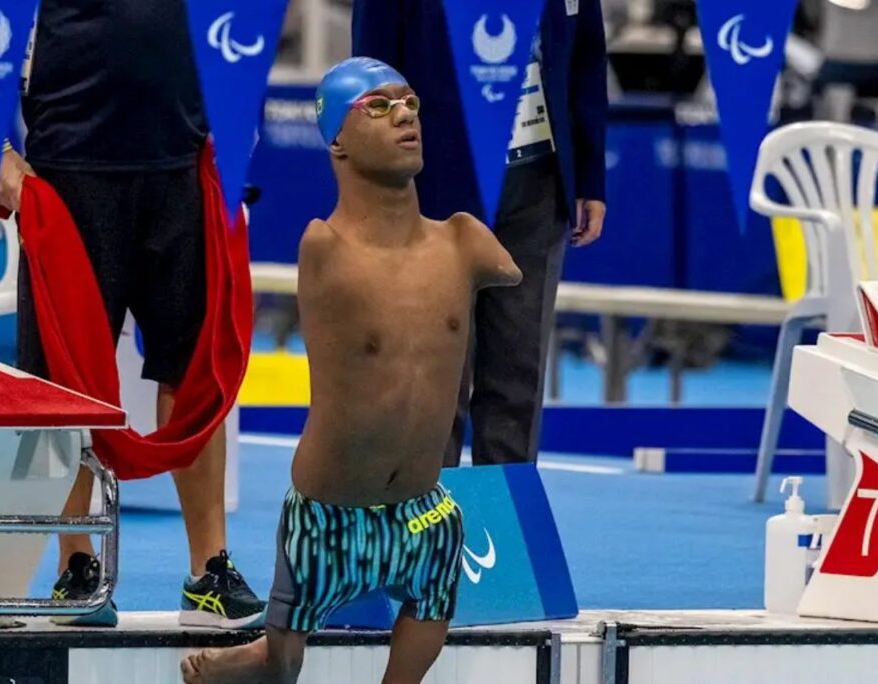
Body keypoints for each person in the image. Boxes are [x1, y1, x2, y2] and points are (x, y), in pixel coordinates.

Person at [180, 57, 522, 684]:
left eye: (411, 101)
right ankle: (261, 655)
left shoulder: (463, 243)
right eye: (378, 105)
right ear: (335, 138)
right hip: (329, 513)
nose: (405, 115)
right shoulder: (324, 247)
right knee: (283, 667)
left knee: (433, 599)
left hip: (422, 508)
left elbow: (512, 271)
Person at [0, 0, 264, 629]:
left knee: (193, 371)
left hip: (183, 161)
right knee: (61, 384)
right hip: (67, 170)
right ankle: (76, 566)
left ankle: (209, 573)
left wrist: (237, 112)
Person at [352, 0, 609, 467]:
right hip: (439, 184)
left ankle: (507, 521)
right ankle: (425, 516)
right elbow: (372, 75)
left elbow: (586, 57)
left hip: (538, 181)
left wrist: (589, 175)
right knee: (436, 369)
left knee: (518, 370)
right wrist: (381, 182)